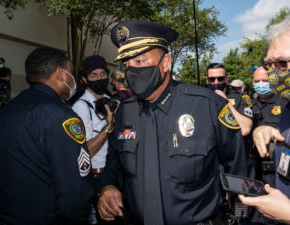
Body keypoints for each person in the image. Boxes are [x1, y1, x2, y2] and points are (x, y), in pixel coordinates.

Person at [97, 20, 251, 225]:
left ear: (166, 63)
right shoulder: (124, 113)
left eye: (140, 62)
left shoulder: (207, 106)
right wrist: (108, 186)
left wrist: (242, 212)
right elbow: (114, 162)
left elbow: (238, 167)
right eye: (127, 65)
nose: (132, 71)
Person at [0, 47, 94, 225]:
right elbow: (74, 194)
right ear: (60, 74)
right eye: (70, 73)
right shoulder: (61, 116)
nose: (73, 79)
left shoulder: (5, 112)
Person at [239, 15, 290, 224]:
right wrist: (265, 131)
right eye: (269, 64)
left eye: (282, 63)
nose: (273, 74)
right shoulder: (287, 108)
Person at [72, 55, 118, 225]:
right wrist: (109, 126)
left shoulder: (108, 99)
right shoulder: (81, 107)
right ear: (84, 79)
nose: (99, 79)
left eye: (102, 74)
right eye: (93, 75)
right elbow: (85, 151)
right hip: (96, 178)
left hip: (112, 173)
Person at [206, 63, 253, 136]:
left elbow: (246, 128)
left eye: (220, 79)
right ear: (207, 80)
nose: (216, 82)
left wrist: (226, 101)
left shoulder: (239, 97)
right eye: (212, 79)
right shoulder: (201, 98)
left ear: (226, 79)